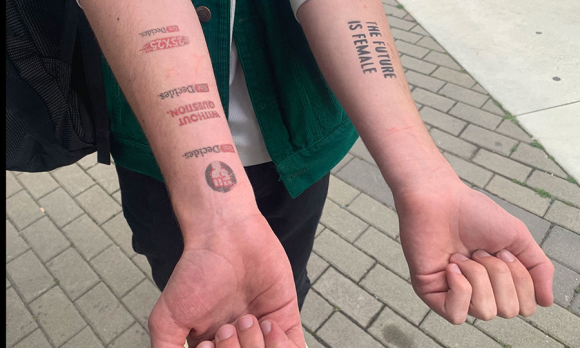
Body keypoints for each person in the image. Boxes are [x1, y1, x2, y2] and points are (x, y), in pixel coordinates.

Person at [79, 0, 554, 347]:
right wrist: (218, 216)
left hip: (296, 135)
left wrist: (427, 180)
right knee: (185, 273)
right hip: (156, 148)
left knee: (285, 272)